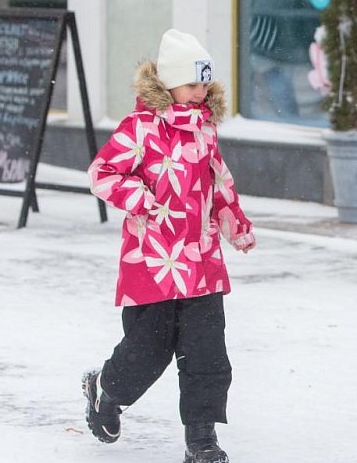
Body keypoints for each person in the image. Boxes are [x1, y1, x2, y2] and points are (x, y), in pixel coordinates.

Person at [84, 29, 256, 463]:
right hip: (154, 262)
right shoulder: (140, 128)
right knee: (147, 350)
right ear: (169, 84)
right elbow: (102, 173)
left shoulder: (205, 130)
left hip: (200, 262)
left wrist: (234, 224)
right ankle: (107, 389)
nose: (201, 92)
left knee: (207, 353)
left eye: (205, 83)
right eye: (193, 84)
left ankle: (202, 438)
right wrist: (138, 197)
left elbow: (219, 183)